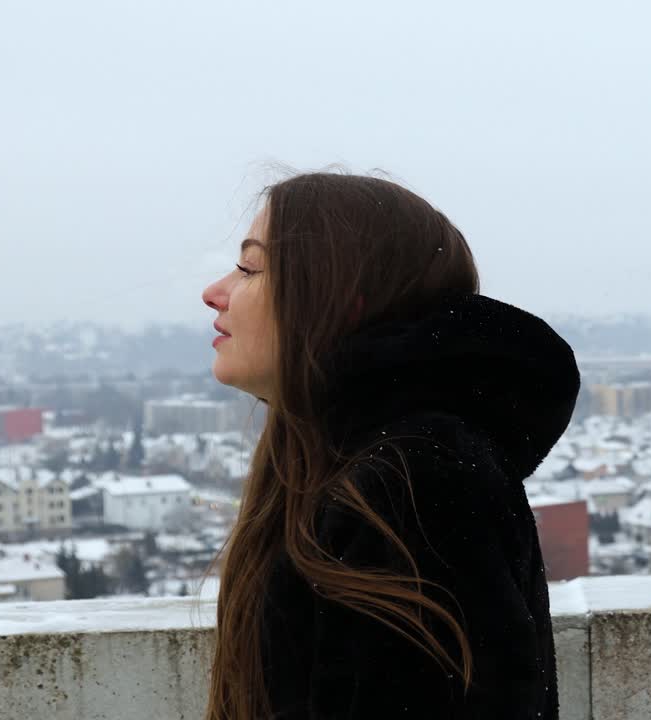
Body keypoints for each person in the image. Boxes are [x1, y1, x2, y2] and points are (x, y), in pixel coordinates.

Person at [200, 172, 580, 719]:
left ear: (344, 301)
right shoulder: (352, 464)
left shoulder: (413, 481)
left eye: (250, 268)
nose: (215, 292)